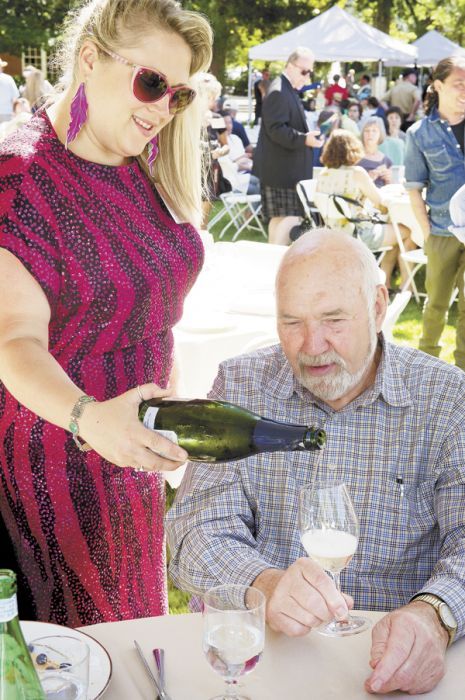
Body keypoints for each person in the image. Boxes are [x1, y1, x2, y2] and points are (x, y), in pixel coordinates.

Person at [167, 229, 465, 696]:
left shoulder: (446, 400)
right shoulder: (242, 385)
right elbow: (194, 530)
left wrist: (436, 614)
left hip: (391, 665)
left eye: (333, 320)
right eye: (291, 322)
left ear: (378, 306)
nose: (311, 345)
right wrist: (261, 583)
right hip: (267, 661)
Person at [0, 0, 213, 626]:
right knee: (78, 663)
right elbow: (14, 342)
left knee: (138, 648)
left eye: (176, 96)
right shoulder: (17, 179)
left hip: (135, 460)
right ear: (89, 58)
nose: (159, 109)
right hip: (55, 470)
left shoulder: (143, 164)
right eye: (150, 82)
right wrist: (92, 420)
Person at [405, 56, 465, 369]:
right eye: (459, 84)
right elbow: (414, 188)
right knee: (437, 304)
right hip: (441, 231)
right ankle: (427, 369)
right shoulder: (419, 134)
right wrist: (426, 232)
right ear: (438, 86)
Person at [315, 129, 414, 288]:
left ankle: (385, 283)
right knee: (407, 232)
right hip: (358, 234)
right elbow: (381, 204)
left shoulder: (324, 174)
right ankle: (404, 288)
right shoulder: (357, 173)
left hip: (333, 234)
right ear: (352, 148)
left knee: (393, 233)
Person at [252, 47, 323, 245]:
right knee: (288, 219)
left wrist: (306, 137)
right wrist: (304, 139)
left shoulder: (284, 88)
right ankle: (276, 264)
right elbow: (276, 129)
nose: (308, 77)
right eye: (304, 71)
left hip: (283, 169)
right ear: (290, 66)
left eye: (310, 72)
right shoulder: (279, 91)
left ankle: (272, 263)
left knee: (280, 219)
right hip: (282, 171)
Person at [359, 117, 392, 187]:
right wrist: (368, 179)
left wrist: (389, 180)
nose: (370, 134)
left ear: (380, 134)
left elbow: (391, 187)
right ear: (362, 133)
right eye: (367, 130)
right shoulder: (355, 157)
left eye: (374, 131)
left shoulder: (386, 160)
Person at [0, 57, 19, 122]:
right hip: (7, 112)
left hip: (7, 112)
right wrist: (14, 111)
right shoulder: (8, 78)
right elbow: (15, 98)